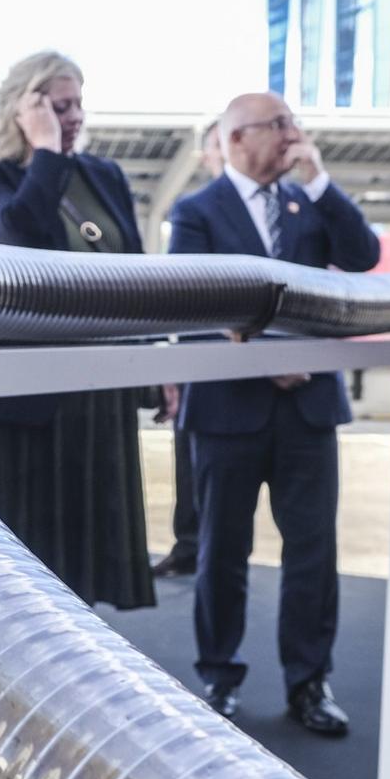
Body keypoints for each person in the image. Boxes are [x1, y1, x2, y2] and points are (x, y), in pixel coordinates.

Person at [171, 92, 379, 735]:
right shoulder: (197, 212)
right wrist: (260, 359)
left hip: (310, 410)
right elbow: (186, 308)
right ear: (236, 138)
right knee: (223, 552)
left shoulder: (308, 203)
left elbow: (364, 256)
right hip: (228, 413)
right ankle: (219, 678)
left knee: (313, 552)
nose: (294, 133)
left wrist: (320, 181)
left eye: (293, 122)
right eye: (279, 124)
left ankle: (309, 683)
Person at [0, 50, 152, 608]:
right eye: (61, 106)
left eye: (79, 104)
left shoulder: (104, 177)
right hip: (29, 400)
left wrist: (151, 366)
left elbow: (135, 275)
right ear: (24, 109)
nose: (76, 117)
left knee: (91, 550)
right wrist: (44, 150)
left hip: (99, 395)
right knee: (31, 555)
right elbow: (18, 234)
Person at [153, 118, 225, 580]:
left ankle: (207, 551)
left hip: (245, 366)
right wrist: (172, 367)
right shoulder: (195, 212)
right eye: (220, 143)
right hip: (201, 363)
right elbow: (179, 296)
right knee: (190, 464)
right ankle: (189, 545)